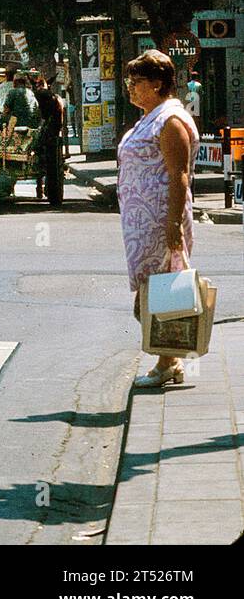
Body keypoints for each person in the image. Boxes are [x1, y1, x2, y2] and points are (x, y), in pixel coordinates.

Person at [117, 50, 198, 389]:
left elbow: (178, 174)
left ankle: (168, 363)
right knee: (153, 292)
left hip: (160, 221)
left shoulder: (170, 120)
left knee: (159, 294)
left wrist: (173, 224)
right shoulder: (152, 115)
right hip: (143, 224)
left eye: (136, 82)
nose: (130, 88)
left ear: (157, 84)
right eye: (129, 82)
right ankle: (170, 361)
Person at [32, 75, 66, 201]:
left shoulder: (34, 96)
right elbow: (58, 123)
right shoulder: (54, 98)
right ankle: (43, 187)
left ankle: (39, 187)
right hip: (51, 133)